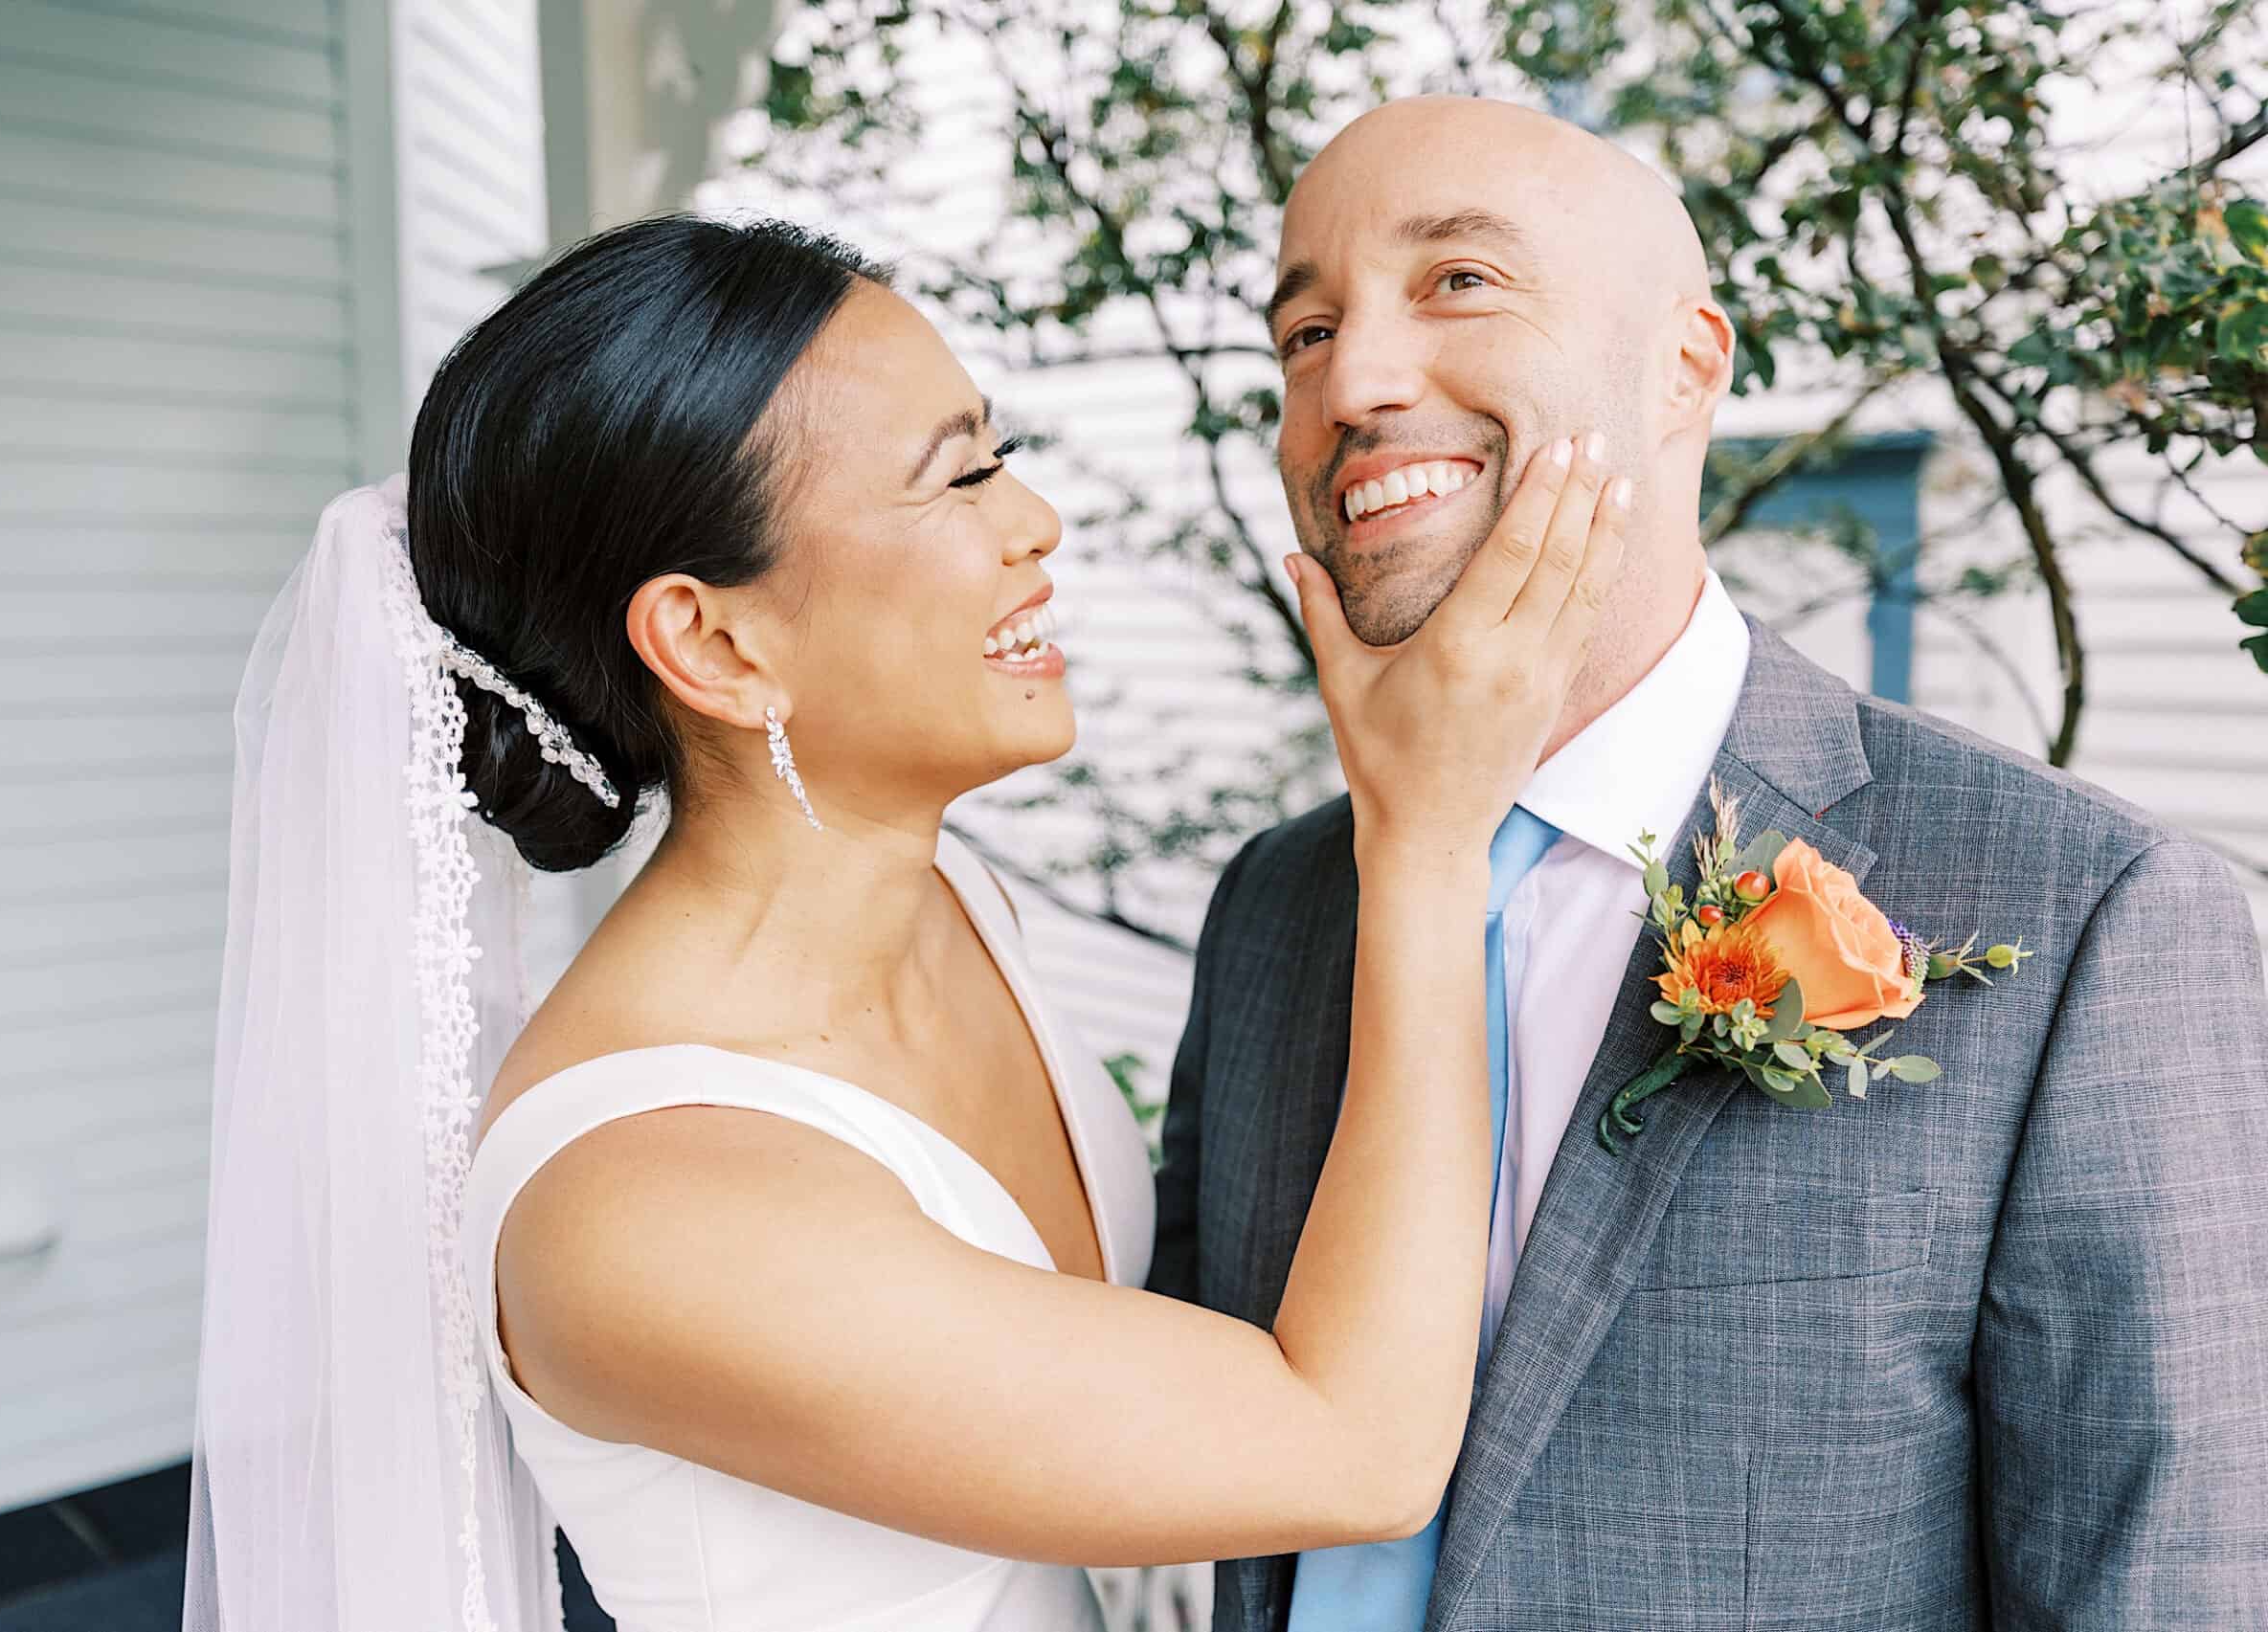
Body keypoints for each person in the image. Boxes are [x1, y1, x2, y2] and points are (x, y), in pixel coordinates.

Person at [182, 213, 1628, 1632]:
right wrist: (1428, 836)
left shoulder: (957, 901)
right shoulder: (647, 1205)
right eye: (961, 478)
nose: (1035, 522)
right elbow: (1351, 1452)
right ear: (716, 641)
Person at [1149, 95, 2268, 1630]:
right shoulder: (1275, 910)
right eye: (1304, 331)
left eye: (1458, 282)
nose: (1354, 380)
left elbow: (2163, 1587)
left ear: (1687, 366)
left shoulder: (2088, 920)